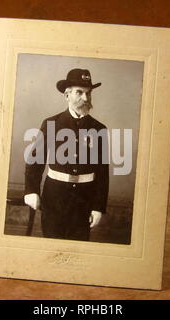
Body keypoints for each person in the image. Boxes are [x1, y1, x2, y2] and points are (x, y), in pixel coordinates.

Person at [24, 68, 109, 241]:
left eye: (88, 93)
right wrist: (31, 191)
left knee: (78, 249)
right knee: (52, 246)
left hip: (84, 200)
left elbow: (102, 172)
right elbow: (35, 160)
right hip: (55, 198)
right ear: (67, 95)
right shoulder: (51, 124)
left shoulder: (99, 129)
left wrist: (98, 207)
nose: (85, 98)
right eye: (79, 92)